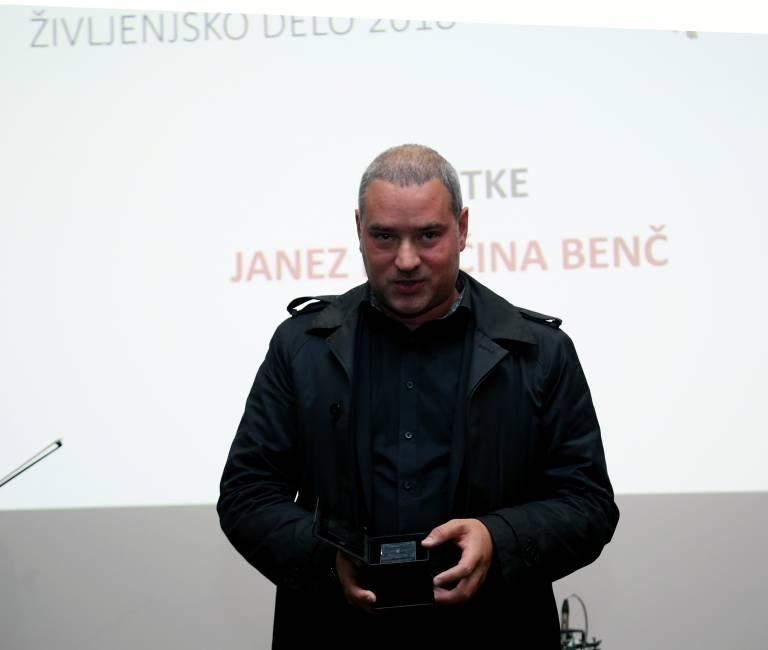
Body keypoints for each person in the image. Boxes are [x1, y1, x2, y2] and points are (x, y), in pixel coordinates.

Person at [218, 144, 619, 649]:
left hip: (495, 629)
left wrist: (497, 539)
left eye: (428, 235)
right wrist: (326, 559)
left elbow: (587, 503)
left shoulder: (540, 352)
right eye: (384, 236)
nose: (406, 261)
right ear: (359, 230)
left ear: (462, 229)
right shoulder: (302, 347)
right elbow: (247, 494)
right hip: (334, 630)